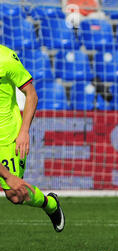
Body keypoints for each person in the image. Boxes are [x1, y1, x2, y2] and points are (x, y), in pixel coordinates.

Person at [0, 44, 65, 232]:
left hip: (7, 136)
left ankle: (50, 204)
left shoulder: (5, 58)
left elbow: (31, 95)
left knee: (15, 195)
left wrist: (24, 131)